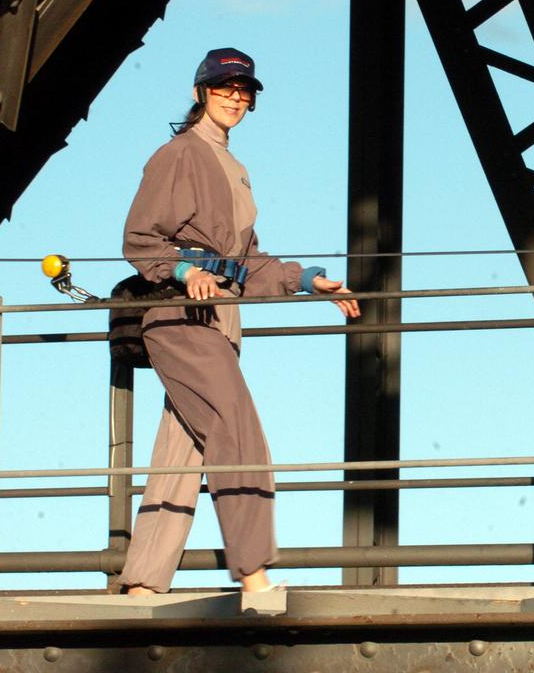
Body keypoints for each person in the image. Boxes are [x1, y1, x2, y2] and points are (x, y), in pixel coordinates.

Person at [117, 47, 360, 595]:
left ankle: (143, 584)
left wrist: (307, 280)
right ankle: (254, 574)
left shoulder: (233, 167)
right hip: (179, 314)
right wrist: (183, 270)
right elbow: (140, 238)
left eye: (244, 90)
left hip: (221, 316)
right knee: (235, 427)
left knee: (184, 447)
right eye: (226, 87)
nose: (236, 97)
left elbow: (246, 261)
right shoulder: (179, 154)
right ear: (202, 91)